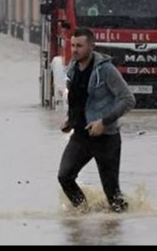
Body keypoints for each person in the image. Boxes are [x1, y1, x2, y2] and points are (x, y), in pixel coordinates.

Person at [58, 27, 136, 213]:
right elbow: (78, 99)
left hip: (106, 138)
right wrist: (70, 120)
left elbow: (128, 99)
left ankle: (119, 228)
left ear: (92, 46)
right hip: (80, 136)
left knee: (113, 196)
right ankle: (83, 213)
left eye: (80, 46)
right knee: (65, 176)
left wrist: (104, 122)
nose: (75, 50)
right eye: (73, 45)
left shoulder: (106, 70)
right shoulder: (73, 68)